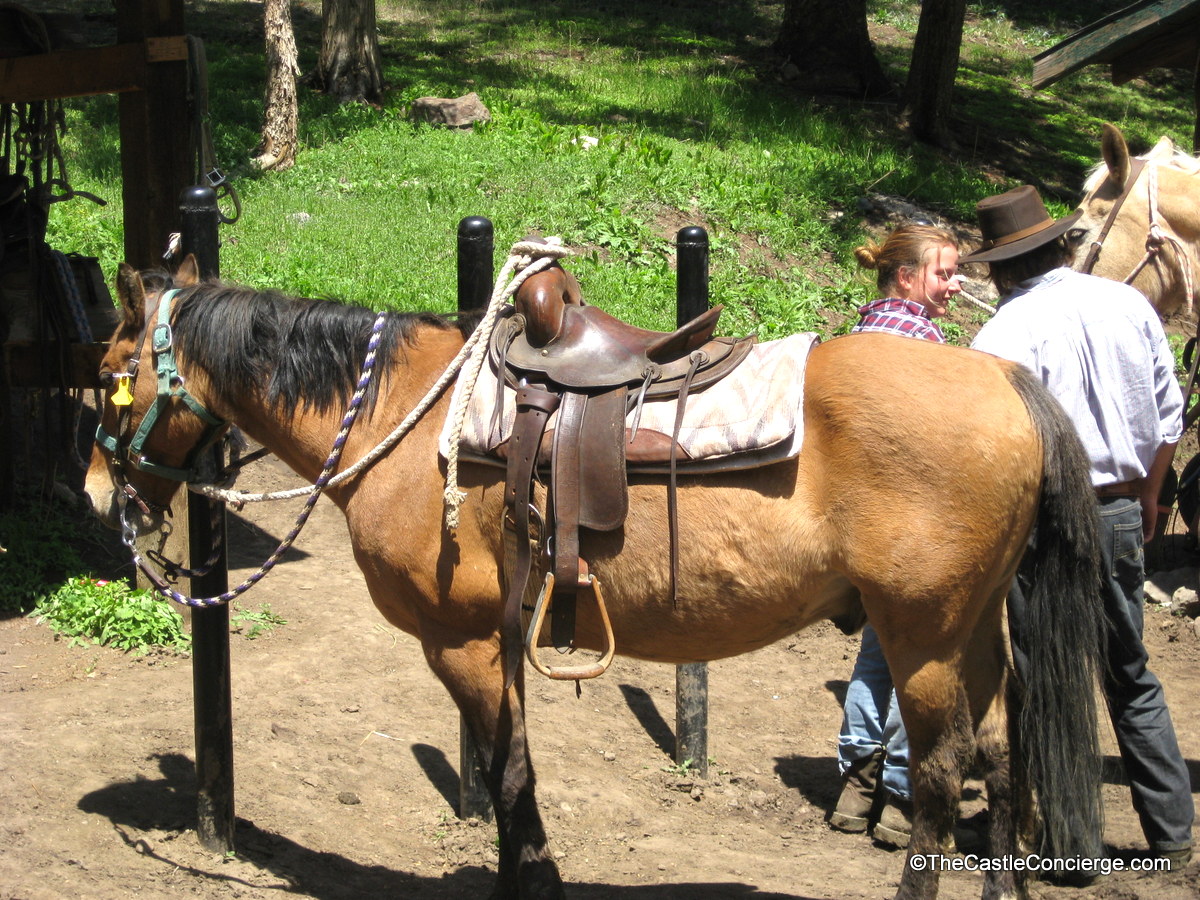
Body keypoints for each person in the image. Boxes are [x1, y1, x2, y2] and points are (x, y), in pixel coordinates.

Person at [965, 184, 1195, 870]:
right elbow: (1167, 417)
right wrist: (1150, 499)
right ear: (1063, 242)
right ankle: (1172, 832)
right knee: (1131, 674)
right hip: (1124, 509)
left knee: (1049, 676)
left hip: (1051, 519)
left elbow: (988, 445)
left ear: (1003, 268)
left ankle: (1069, 845)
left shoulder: (1004, 332)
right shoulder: (1128, 304)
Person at [828, 223, 962, 849]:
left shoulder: (855, 338)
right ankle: (903, 795)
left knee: (875, 654)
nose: (954, 286)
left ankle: (856, 783)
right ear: (906, 278)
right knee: (921, 655)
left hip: (852, 524)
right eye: (944, 274)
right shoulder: (926, 347)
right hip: (912, 527)